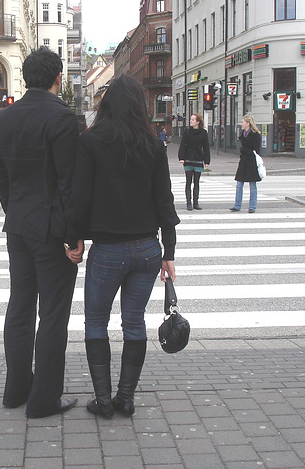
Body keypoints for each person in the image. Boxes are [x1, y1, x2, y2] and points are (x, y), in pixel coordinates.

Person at [68, 75, 180, 419]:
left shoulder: (91, 142)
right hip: (147, 250)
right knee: (133, 324)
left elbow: (79, 198)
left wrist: (75, 239)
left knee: (95, 324)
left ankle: (103, 401)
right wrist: (169, 253)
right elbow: (165, 201)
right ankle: (126, 398)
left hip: (108, 251)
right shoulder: (153, 146)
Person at [0, 47, 84, 419]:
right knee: (54, 314)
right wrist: (74, 235)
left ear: (25, 78)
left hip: (18, 226)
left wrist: (15, 210)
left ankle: (16, 389)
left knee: (20, 306)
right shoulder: (62, 119)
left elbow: (0, 179)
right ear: (58, 78)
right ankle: (44, 398)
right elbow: (68, 184)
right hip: (53, 230)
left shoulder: (2, 121)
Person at [178, 113, 210, 211]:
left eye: (193, 120)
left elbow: (206, 147)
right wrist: (181, 157)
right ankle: (189, 202)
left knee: (196, 181)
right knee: (188, 181)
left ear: (198, 122)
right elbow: (183, 144)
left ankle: (196, 202)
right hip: (188, 158)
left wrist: (207, 160)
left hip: (198, 158)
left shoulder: (203, 132)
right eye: (191, 119)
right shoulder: (187, 131)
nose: (191, 121)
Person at [231, 114, 262, 213]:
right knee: (239, 184)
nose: (241, 124)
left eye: (243, 122)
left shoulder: (255, 135)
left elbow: (256, 150)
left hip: (251, 162)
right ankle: (237, 205)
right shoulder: (243, 135)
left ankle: (252, 206)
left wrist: (245, 150)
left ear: (248, 123)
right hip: (243, 161)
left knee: (252, 185)